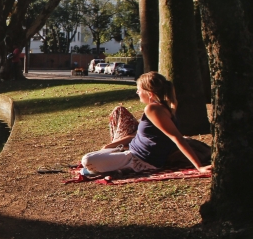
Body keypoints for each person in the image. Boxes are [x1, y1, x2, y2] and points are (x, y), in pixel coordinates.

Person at [80, 71, 212, 175]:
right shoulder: (162, 106)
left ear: (149, 94)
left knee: (87, 160)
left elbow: (177, 138)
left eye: (139, 89)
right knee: (94, 156)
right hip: (131, 150)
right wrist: (112, 145)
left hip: (139, 160)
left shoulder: (153, 109)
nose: (137, 92)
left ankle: (119, 167)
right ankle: (112, 164)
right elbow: (140, 136)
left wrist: (199, 167)